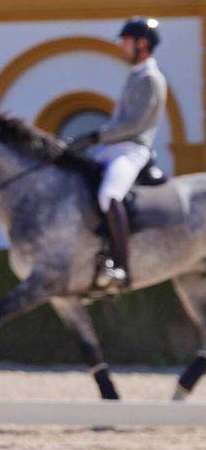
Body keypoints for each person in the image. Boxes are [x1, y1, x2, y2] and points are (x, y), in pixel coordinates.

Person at [68, 16, 168, 291]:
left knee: (108, 195)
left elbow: (134, 124)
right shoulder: (136, 75)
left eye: (126, 41)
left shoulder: (150, 78)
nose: (121, 47)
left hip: (132, 148)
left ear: (142, 44)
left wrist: (95, 136)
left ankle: (121, 267)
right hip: (113, 148)